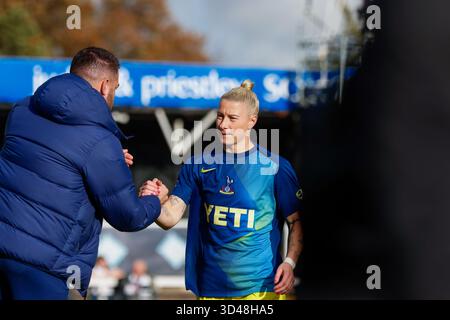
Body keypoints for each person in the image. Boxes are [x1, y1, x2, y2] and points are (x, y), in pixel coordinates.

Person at [0, 47, 165, 300]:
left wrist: (103, 161)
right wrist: (153, 199)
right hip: (43, 266)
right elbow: (127, 216)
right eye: (117, 89)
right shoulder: (100, 140)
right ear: (105, 86)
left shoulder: (22, 110)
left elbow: (50, 160)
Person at [140, 80, 304, 300]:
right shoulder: (197, 164)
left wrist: (289, 262)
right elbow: (169, 219)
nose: (223, 124)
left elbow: (297, 222)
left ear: (251, 121)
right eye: (220, 116)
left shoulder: (275, 167)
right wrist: (155, 201)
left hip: (261, 289)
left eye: (232, 118)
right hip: (211, 289)